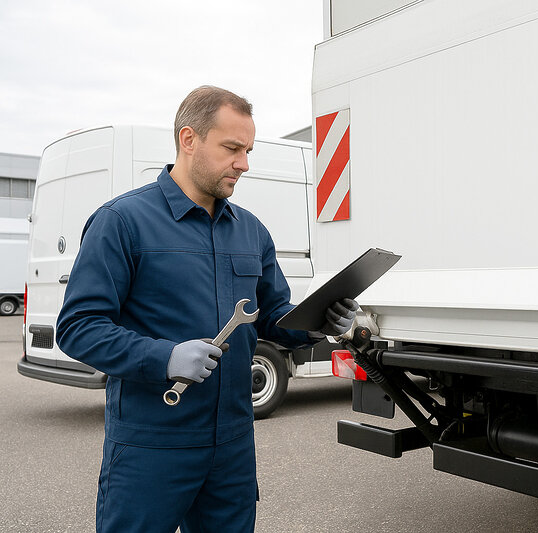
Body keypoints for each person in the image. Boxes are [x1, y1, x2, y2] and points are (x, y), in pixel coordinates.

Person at [56, 85, 358, 533]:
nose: (244, 163)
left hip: (232, 445)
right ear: (189, 139)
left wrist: (320, 322)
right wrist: (165, 357)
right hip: (151, 446)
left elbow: (274, 317)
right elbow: (79, 327)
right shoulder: (122, 222)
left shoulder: (251, 231)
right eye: (232, 148)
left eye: (248, 150)